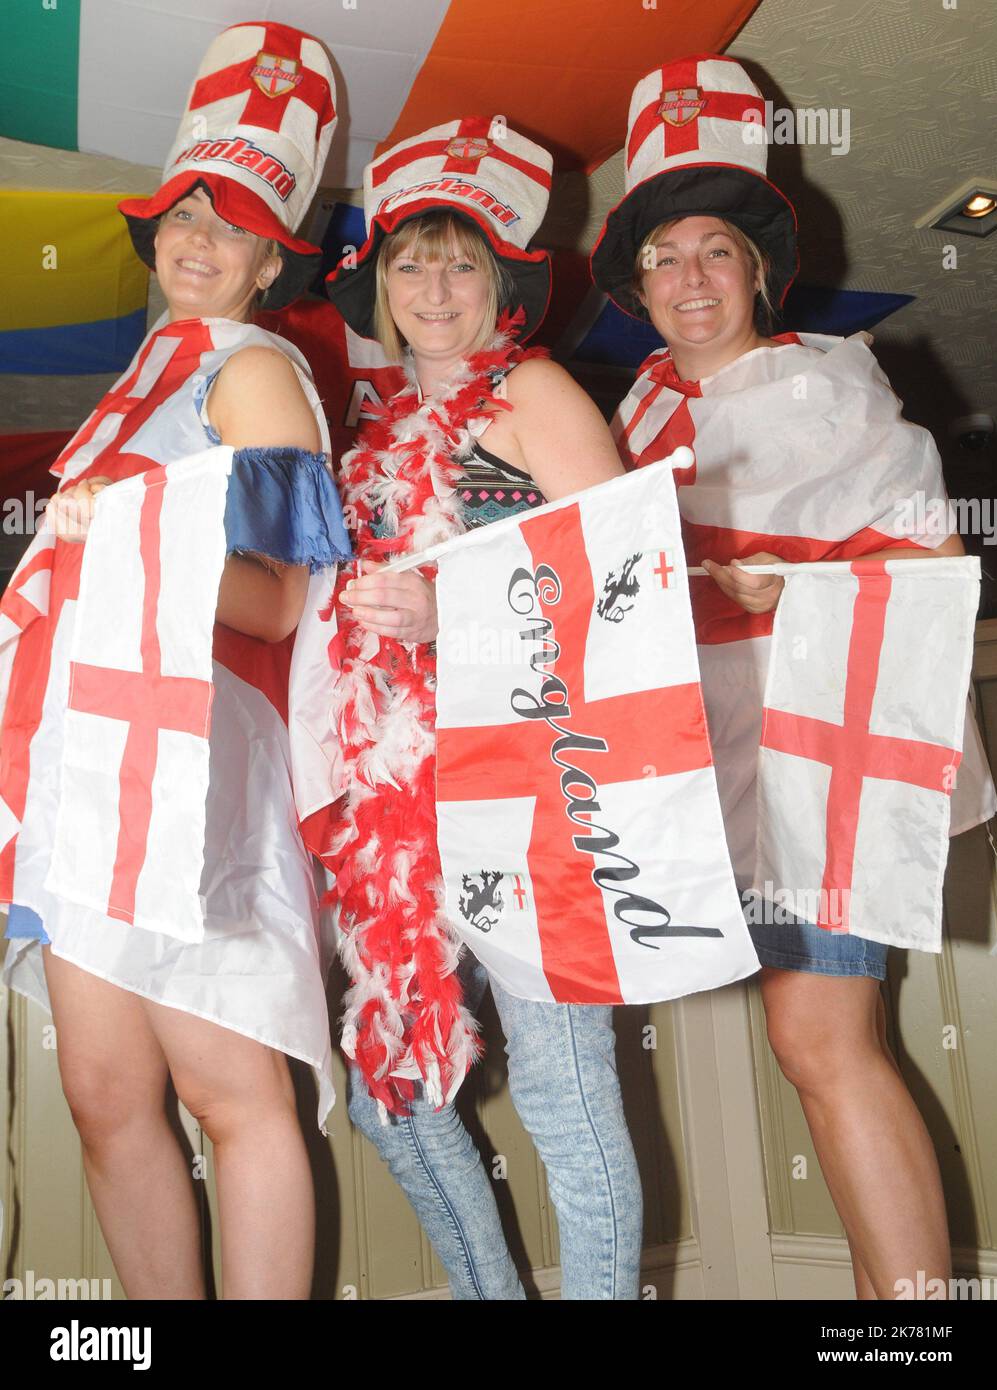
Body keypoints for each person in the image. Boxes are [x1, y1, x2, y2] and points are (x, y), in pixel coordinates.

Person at [591, 55, 997, 1300]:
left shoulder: (832, 389)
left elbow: (932, 560)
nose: (689, 278)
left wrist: (798, 586)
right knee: (809, 1044)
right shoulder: (634, 420)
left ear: (762, 272)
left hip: (822, 760)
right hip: (719, 784)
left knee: (825, 1039)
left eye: (715, 250)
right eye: (662, 257)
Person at [0, 23, 349, 1298]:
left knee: (228, 1085)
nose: (200, 238)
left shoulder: (255, 370)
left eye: (236, 223)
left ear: (270, 257)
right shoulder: (143, 378)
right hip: (85, 757)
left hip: (192, 756)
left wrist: (129, 543)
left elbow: (284, 605)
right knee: (103, 1095)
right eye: (184, 213)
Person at [325, 119, 643, 1299]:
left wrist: (456, 618)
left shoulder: (537, 390)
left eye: (463, 261)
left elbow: (626, 583)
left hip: (533, 783)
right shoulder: (359, 434)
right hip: (397, 808)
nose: (435, 287)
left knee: (563, 1089)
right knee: (386, 1095)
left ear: (503, 278)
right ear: (381, 281)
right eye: (413, 259)